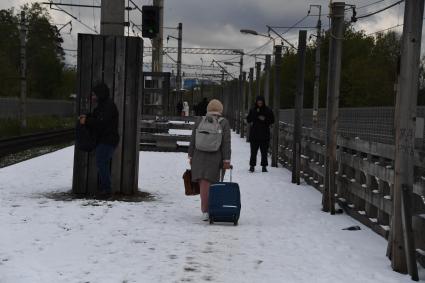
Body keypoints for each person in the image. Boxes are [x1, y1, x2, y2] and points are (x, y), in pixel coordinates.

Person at [188, 99, 231, 221]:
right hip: (215, 157)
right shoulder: (223, 123)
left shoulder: (200, 120)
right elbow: (226, 143)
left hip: (198, 156)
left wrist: (190, 155)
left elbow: (193, 139)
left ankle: (205, 210)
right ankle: (211, 208)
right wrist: (226, 160)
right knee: (213, 183)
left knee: (203, 184)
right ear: (220, 110)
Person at [79, 83, 119, 197]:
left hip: (107, 140)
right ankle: (105, 189)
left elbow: (101, 123)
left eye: (94, 95)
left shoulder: (108, 106)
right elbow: (97, 117)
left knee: (102, 163)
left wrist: (86, 121)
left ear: (100, 94)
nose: (92, 97)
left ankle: (106, 190)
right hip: (106, 139)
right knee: (103, 163)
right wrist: (87, 117)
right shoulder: (103, 105)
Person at [247, 95, 275, 173]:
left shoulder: (268, 110)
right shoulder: (252, 110)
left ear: (263, 102)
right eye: (258, 102)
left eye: (261, 102)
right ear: (256, 102)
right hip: (254, 135)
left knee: (264, 152)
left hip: (264, 135)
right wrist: (254, 115)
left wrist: (265, 119)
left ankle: (264, 166)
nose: (259, 103)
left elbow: (272, 120)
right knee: (253, 152)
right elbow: (248, 120)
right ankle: (252, 166)